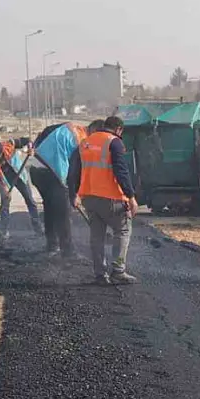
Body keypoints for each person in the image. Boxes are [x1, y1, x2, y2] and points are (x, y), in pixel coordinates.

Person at [68, 116, 138, 285]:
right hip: (112, 198)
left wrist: (73, 194)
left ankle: (100, 274)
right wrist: (131, 196)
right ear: (119, 129)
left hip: (89, 198)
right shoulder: (114, 142)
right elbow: (121, 171)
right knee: (122, 231)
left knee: (96, 237)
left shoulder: (84, 144)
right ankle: (118, 271)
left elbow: (73, 173)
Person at [30, 122, 88, 258]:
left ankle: (52, 245)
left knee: (50, 207)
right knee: (63, 213)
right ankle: (68, 252)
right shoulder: (82, 140)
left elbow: (44, 131)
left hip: (36, 169)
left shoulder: (68, 126)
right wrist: (75, 195)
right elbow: (74, 171)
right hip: (52, 173)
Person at [0, 139, 42, 236]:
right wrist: (5, 190)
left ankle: (38, 229)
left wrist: (30, 149)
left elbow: (28, 141)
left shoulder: (9, 145)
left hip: (20, 175)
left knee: (30, 200)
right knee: (4, 203)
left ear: (2, 151)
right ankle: (3, 231)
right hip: (5, 179)